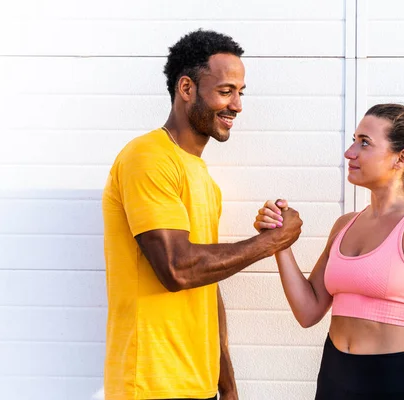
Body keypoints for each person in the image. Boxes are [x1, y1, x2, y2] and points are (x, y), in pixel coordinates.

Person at [102, 29, 302, 400]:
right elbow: (178, 269)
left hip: (198, 383)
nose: (237, 105)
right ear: (186, 88)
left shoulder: (203, 178)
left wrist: (225, 381)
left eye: (241, 93)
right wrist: (272, 240)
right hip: (151, 384)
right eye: (226, 91)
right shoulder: (148, 157)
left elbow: (206, 284)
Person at [254, 104, 404, 399]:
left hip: (392, 381)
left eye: (364, 142)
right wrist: (279, 243)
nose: (350, 152)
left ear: (401, 158)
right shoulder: (344, 225)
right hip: (333, 375)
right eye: (354, 140)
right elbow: (308, 311)